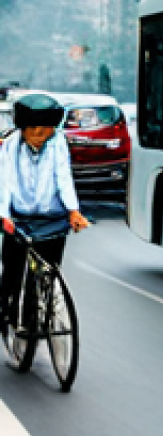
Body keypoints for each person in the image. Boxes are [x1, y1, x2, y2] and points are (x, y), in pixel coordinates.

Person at [0, 94, 89, 325]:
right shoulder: (10, 145)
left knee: (47, 273)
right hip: (18, 218)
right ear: (23, 128)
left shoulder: (58, 143)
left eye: (46, 129)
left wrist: (73, 211)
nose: (40, 135)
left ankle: (37, 316)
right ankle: (6, 309)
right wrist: (4, 215)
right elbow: (5, 181)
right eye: (34, 129)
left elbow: (64, 177)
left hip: (52, 219)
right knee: (12, 270)